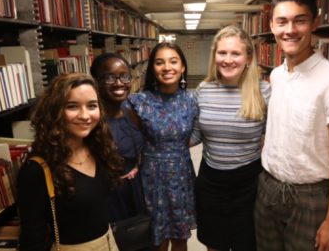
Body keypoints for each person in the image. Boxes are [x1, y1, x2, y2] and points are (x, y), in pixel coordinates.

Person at [255, 0, 329, 251]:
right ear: (272, 26)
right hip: (268, 188)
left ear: (314, 23)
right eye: (282, 21)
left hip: (310, 197)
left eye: (299, 21)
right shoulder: (276, 75)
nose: (290, 30)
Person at [17, 73, 123, 251]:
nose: (85, 115)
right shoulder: (36, 170)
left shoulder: (99, 150)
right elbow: (32, 238)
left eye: (92, 106)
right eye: (72, 106)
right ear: (55, 111)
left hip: (108, 244)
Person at [190, 25, 271, 251]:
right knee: (214, 244)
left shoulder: (264, 91)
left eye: (235, 53)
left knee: (247, 244)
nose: (228, 59)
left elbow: (273, 137)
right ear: (214, 55)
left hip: (250, 185)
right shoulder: (204, 90)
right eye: (222, 53)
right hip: (210, 182)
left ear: (248, 57)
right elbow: (196, 134)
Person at [127, 42, 197, 251]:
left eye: (173, 61)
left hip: (182, 174)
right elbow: (133, 140)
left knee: (179, 237)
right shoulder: (138, 102)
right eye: (160, 62)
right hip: (151, 176)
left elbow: (194, 135)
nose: (167, 67)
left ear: (183, 67)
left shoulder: (192, 100)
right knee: (155, 238)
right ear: (152, 68)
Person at [90, 53, 147, 225]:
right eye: (110, 78)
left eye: (124, 76)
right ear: (96, 81)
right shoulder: (91, 120)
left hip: (134, 190)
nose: (119, 83)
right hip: (106, 195)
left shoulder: (133, 112)